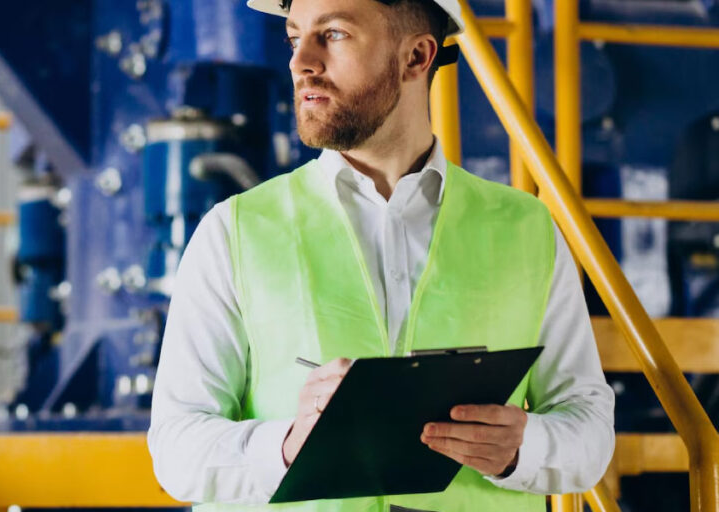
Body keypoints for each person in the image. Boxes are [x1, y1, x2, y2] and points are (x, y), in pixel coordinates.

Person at [147, 0, 615, 510]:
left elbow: (587, 428)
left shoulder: (528, 231)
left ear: (416, 56)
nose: (301, 61)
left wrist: (521, 448)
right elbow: (176, 450)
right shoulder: (233, 233)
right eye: (293, 37)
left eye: (335, 34)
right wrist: (284, 447)